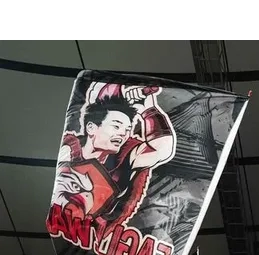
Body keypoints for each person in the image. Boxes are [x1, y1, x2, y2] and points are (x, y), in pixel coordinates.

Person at [50, 83, 175, 237]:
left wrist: (147, 109)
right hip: (64, 231)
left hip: (98, 241)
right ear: (91, 128)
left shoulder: (124, 159)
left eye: (127, 129)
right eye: (116, 126)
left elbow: (163, 149)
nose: (123, 133)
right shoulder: (70, 149)